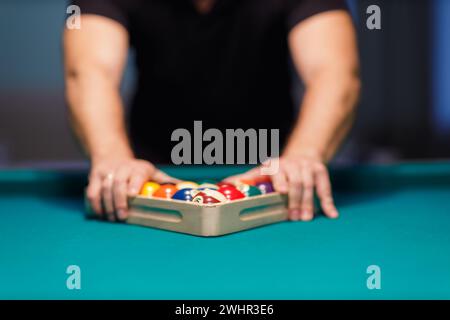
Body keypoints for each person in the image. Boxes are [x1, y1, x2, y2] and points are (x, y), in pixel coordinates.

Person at [64, 0, 360, 222]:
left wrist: (304, 154)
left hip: (275, 183)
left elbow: (334, 73)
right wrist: (112, 156)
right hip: (151, 185)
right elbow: (90, 71)